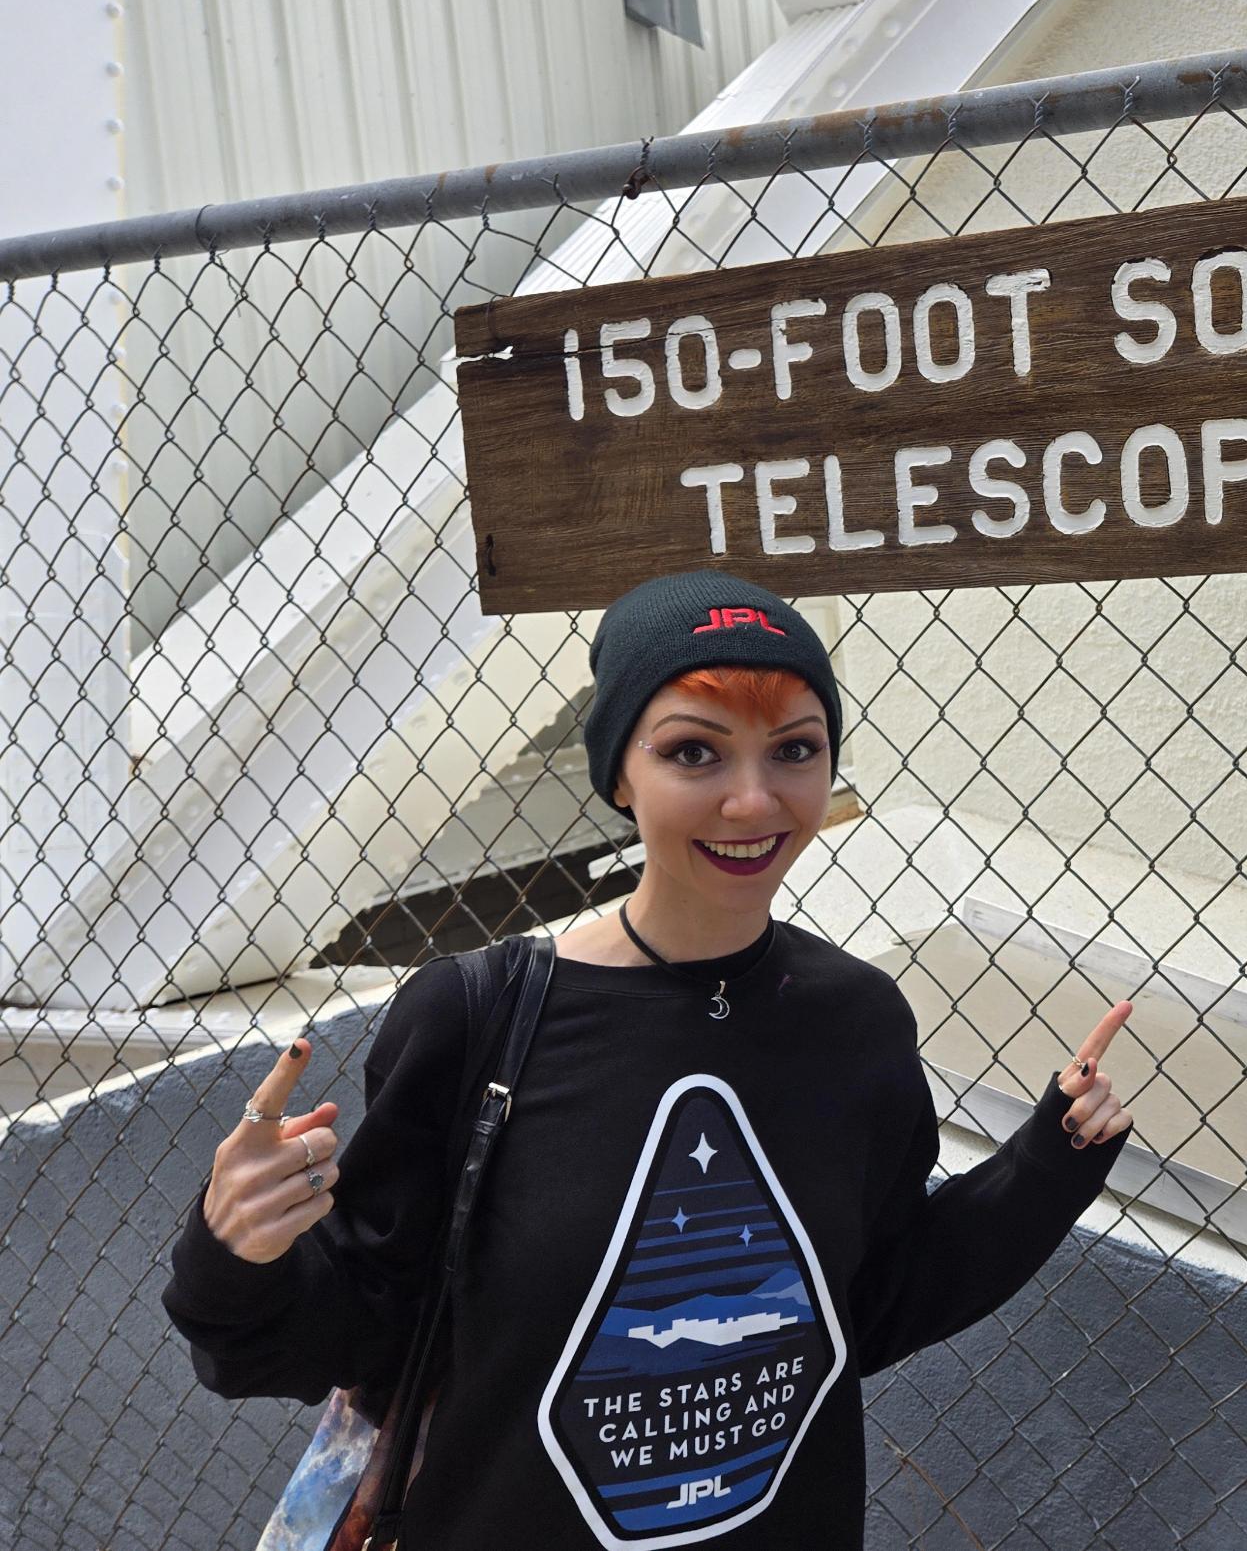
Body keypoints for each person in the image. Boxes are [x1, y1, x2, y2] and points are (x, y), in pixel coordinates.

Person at [159, 567, 1136, 1548]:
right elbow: (343, 1333)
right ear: (618, 774)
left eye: (794, 748)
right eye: (693, 752)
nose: (752, 801)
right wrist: (232, 1249)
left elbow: (869, 1306)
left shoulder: (858, 1022)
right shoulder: (477, 1020)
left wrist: (1047, 1162)